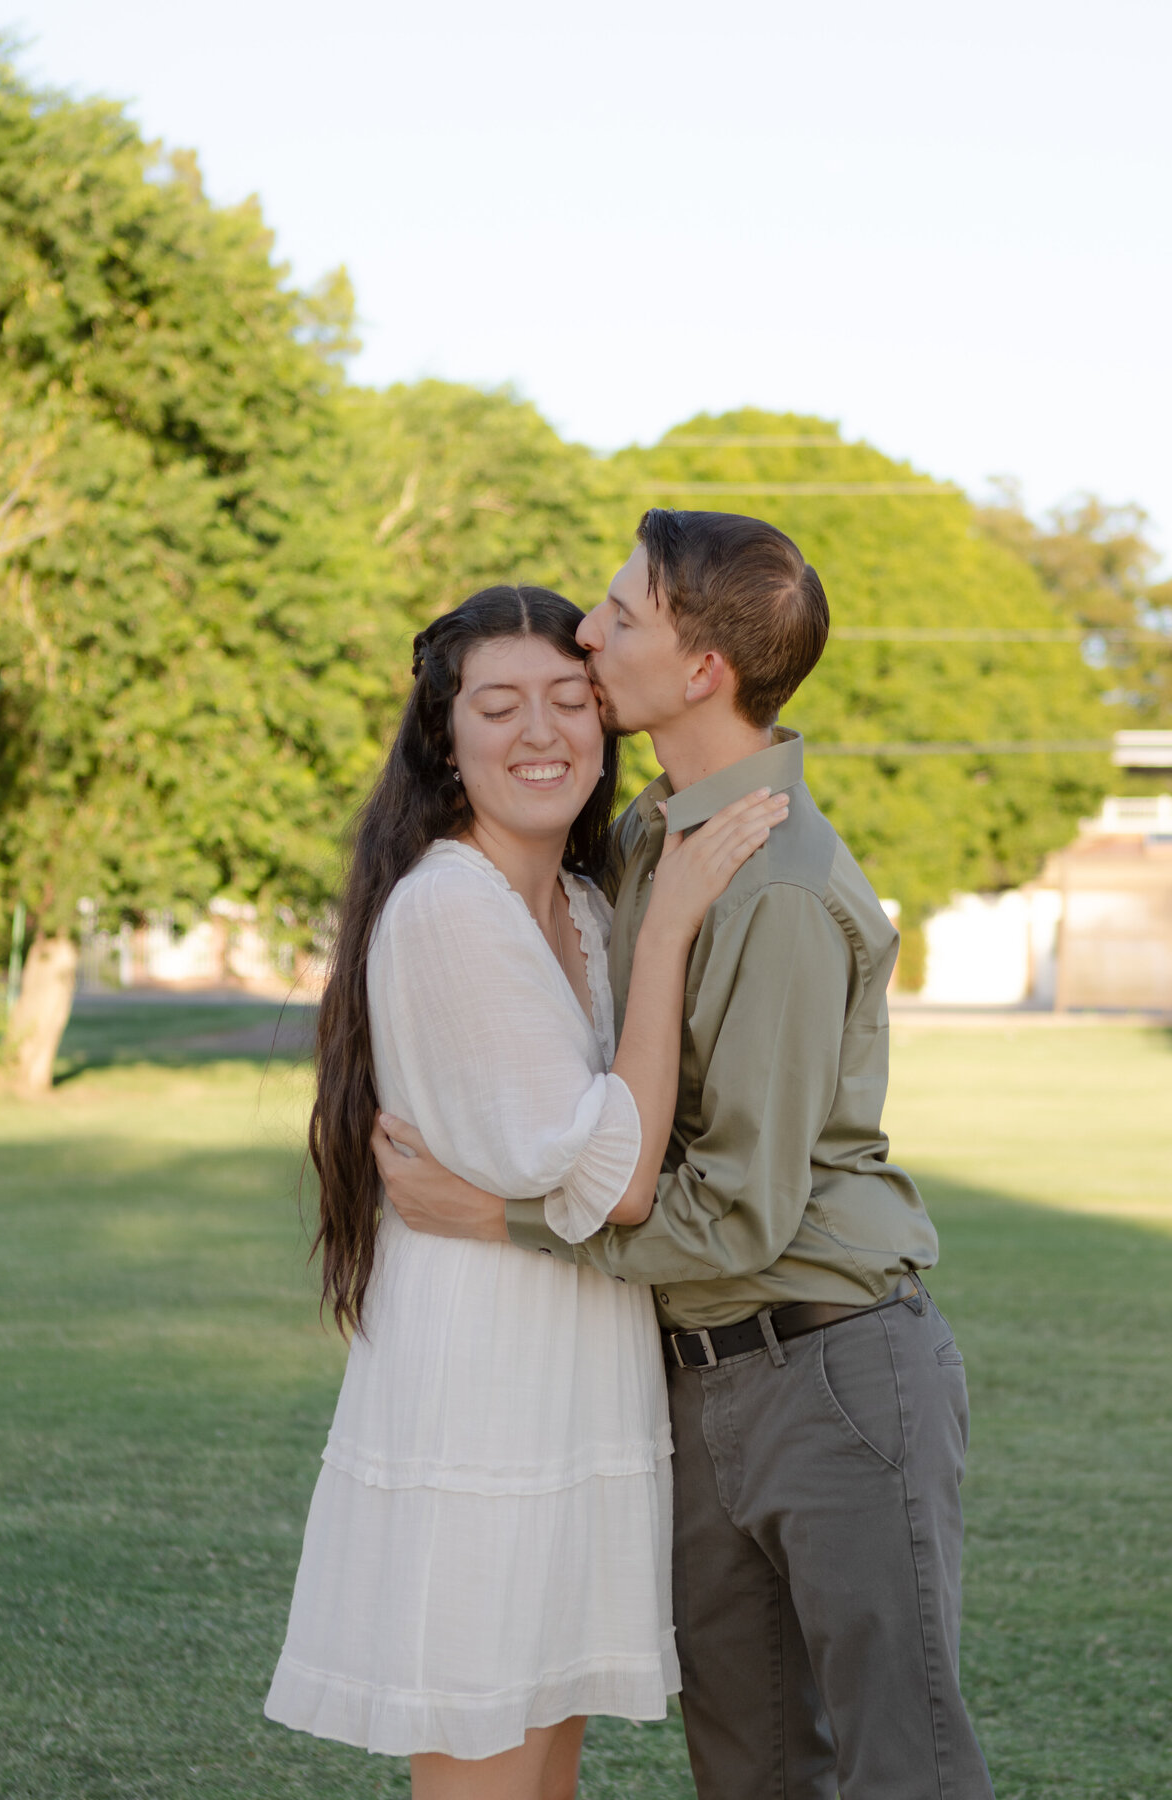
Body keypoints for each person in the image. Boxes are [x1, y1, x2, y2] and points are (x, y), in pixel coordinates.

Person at [373, 513, 996, 1800]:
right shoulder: (652, 842)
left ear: (702, 669)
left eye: (620, 616)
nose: (589, 634)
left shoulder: (767, 885)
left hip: (830, 1363)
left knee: (903, 1768)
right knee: (751, 1771)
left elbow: (740, 1216)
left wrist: (502, 1221)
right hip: (699, 1379)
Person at [263, 582, 787, 1800]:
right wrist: (674, 943)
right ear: (446, 741)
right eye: (498, 706)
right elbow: (613, 1176)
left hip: (577, 1382)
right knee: (489, 1774)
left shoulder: (587, 910)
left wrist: (643, 937)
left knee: (543, 1771)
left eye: (569, 699)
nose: (540, 732)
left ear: (606, 728)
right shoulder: (453, 907)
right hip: (485, 1395)